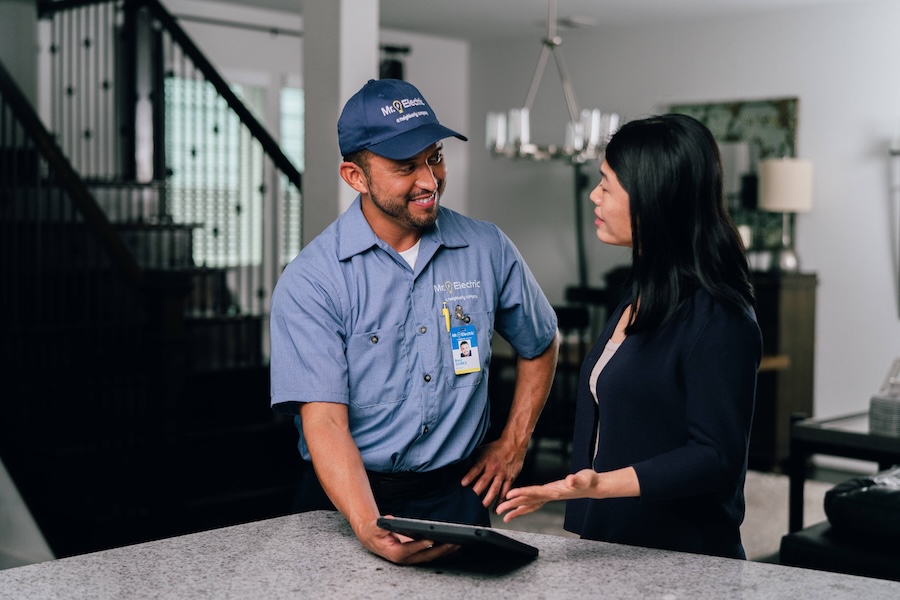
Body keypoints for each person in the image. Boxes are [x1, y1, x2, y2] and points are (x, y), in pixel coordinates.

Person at [269, 79, 559, 565]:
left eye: (435, 157)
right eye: (406, 167)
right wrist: (368, 525)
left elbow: (540, 342)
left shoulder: (487, 248)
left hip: (456, 495)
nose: (429, 180)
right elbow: (325, 421)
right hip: (346, 502)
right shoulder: (313, 279)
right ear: (354, 176)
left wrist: (514, 443)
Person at [496, 114, 762, 559]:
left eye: (606, 184)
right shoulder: (642, 291)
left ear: (651, 198)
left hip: (681, 559)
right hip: (612, 545)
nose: (593, 195)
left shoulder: (719, 315)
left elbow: (716, 455)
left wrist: (601, 485)